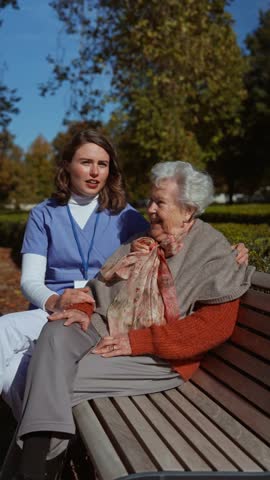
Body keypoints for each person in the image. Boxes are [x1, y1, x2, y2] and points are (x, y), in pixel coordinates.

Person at [7, 161, 254, 480]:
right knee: (57, 331)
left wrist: (138, 342)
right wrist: (81, 310)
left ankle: (32, 470)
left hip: (157, 358)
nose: (149, 208)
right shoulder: (141, 242)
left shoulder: (214, 253)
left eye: (160, 202)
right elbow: (97, 289)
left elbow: (214, 327)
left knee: (56, 376)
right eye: (150, 200)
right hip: (103, 331)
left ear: (188, 210)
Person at [0, 129, 148, 417]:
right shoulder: (43, 214)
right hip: (51, 311)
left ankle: (37, 435)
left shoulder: (126, 215)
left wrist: (226, 250)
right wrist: (56, 301)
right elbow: (30, 281)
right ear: (67, 165)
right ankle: (41, 434)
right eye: (85, 162)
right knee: (14, 365)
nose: (94, 172)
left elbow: (168, 237)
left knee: (6, 334)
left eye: (102, 164)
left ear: (110, 170)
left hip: (100, 312)